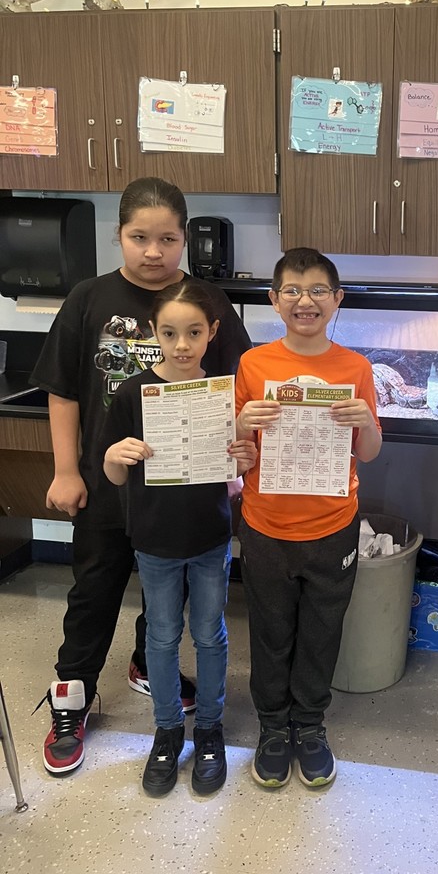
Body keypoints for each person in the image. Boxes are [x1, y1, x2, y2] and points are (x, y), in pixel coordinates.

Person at [31, 177, 252, 775]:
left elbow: (237, 384)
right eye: (138, 237)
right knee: (94, 592)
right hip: (108, 485)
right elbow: (63, 392)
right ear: (118, 236)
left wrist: (235, 462)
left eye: (167, 239)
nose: (153, 251)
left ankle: (143, 664)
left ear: (183, 240)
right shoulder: (88, 298)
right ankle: (71, 698)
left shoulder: (207, 302)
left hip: (184, 493)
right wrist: (65, 470)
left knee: (172, 595)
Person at [235, 247, 382, 789]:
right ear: (274, 301)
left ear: (337, 300)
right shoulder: (253, 365)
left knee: (322, 632)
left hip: (332, 525)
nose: (306, 300)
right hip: (265, 523)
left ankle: (310, 725)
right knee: (271, 632)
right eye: (292, 290)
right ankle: (273, 729)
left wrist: (365, 419)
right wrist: (241, 421)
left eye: (318, 290)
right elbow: (239, 454)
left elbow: (368, 452)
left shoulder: (355, 368)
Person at [103, 281, 256, 796]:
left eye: (194, 332)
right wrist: (113, 457)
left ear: (212, 332)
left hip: (211, 536)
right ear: (154, 333)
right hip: (154, 540)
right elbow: (116, 475)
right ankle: (168, 731)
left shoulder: (221, 393)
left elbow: (233, 475)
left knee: (210, 633)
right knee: (162, 637)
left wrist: (242, 461)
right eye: (170, 333)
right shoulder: (132, 394)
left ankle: (209, 729)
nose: (182, 344)